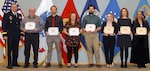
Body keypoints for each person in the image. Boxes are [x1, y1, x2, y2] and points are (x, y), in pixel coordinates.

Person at [2, 4, 23, 69]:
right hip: (9, 36)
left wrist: (21, 34)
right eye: (13, 7)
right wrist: (5, 34)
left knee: (15, 50)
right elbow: (4, 25)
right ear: (11, 8)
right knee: (9, 50)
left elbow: (20, 26)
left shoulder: (19, 15)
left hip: (17, 35)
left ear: (17, 8)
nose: (14, 8)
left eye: (15, 7)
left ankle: (14, 62)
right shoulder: (7, 15)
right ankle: (9, 64)